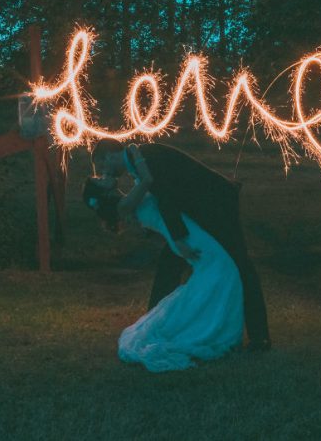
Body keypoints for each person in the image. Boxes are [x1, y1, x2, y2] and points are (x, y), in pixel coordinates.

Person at [89, 138, 271, 353]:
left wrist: (177, 238)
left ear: (109, 156)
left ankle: (260, 337)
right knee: (169, 267)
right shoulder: (138, 159)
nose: (103, 173)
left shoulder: (144, 157)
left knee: (240, 263)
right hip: (194, 217)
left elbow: (167, 197)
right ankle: (157, 324)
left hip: (216, 206)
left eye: (101, 166)